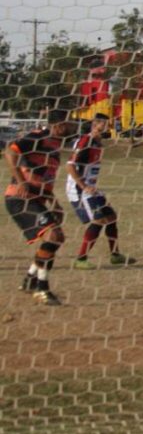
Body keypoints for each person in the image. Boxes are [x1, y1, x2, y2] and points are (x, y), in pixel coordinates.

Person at [4, 109, 76, 305]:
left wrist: (54, 202)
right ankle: (41, 288)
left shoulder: (54, 147)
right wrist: (20, 181)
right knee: (54, 236)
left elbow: (43, 179)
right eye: (70, 123)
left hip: (37, 198)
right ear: (59, 125)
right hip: (20, 198)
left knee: (55, 238)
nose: (73, 127)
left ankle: (30, 279)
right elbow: (10, 151)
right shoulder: (39, 137)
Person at [66, 114, 136, 269]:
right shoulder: (86, 141)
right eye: (102, 123)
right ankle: (81, 259)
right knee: (99, 220)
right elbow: (70, 165)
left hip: (91, 188)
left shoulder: (98, 142)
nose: (106, 126)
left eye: (107, 123)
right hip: (79, 189)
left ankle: (115, 255)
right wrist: (83, 186)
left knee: (111, 217)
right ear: (94, 123)